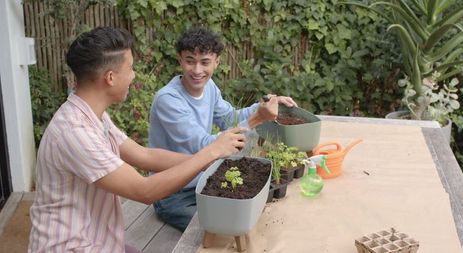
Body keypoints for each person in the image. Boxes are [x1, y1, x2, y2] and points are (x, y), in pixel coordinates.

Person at [28, 27, 246, 253]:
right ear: (110, 78)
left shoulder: (93, 114)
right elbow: (144, 191)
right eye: (130, 68)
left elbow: (144, 156)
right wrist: (210, 152)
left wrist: (210, 162)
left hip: (100, 241)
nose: (134, 75)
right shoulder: (75, 133)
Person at [148, 26, 297, 231]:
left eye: (205, 62)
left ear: (217, 62)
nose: (197, 70)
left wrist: (266, 104)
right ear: (180, 60)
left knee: (254, 218)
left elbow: (231, 118)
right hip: (172, 193)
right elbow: (203, 146)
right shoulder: (168, 100)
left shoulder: (209, 88)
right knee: (218, 231)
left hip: (206, 181)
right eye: (190, 60)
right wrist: (256, 119)